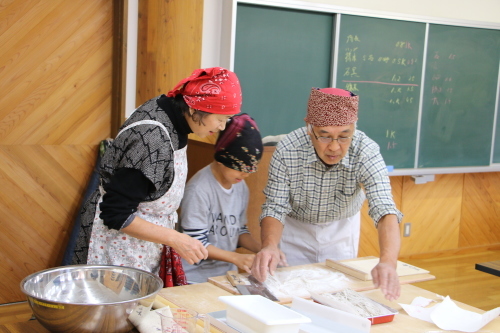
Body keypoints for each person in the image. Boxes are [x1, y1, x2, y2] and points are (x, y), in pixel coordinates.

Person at [66, 67, 242, 287]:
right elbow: (115, 213)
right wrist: (175, 238)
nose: (222, 127)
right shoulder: (152, 140)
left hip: (141, 247)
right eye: (221, 118)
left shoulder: (176, 115)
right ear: (197, 107)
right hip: (115, 250)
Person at [251, 87, 403, 301]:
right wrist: (270, 245)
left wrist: (388, 261)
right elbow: (275, 206)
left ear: (354, 129)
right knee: (291, 297)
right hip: (296, 230)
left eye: (343, 137)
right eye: (324, 136)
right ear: (309, 128)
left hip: (341, 230)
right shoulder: (288, 149)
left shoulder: (366, 150)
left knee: (338, 297)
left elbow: (385, 208)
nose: (334, 147)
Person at [180, 114, 263, 283]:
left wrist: (261, 250)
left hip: (227, 276)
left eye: (251, 169)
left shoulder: (241, 186)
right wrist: (236, 258)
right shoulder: (199, 189)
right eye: (240, 167)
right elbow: (195, 244)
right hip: (195, 279)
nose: (245, 174)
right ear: (222, 158)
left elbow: (238, 229)